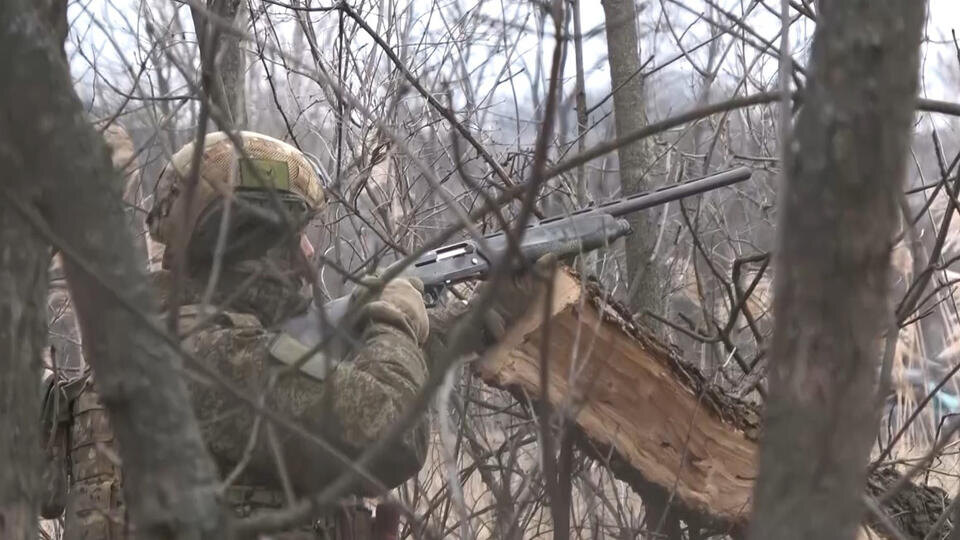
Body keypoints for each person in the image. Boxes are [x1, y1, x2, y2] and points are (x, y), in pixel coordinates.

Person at [44, 131, 431, 539]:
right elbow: (392, 434)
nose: (309, 254)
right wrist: (394, 318)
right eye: (294, 236)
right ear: (250, 241)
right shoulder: (218, 360)